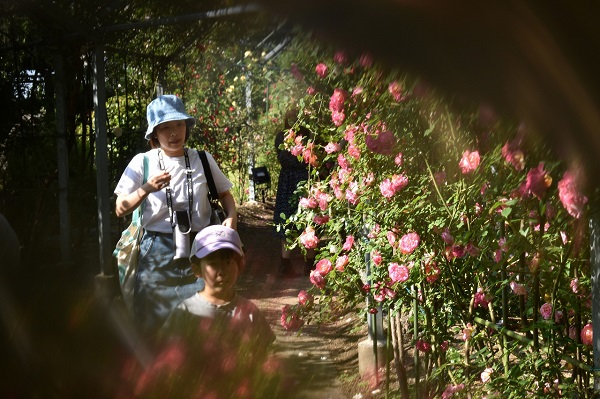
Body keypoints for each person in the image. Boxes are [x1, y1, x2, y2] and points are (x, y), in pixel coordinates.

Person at [114, 94, 238, 337]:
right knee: (153, 326)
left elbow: (225, 196)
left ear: (187, 127)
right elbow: (120, 207)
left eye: (179, 124)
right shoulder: (143, 162)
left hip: (201, 249)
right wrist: (146, 188)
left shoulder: (202, 159)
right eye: (166, 127)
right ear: (154, 134)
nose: (174, 133)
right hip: (156, 251)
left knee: (205, 324)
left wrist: (231, 218)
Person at [156, 225, 277, 397]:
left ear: (240, 265)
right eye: (213, 264)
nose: (222, 271)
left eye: (228, 262)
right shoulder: (186, 312)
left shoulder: (249, 311)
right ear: (197, 269)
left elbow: (266, 358)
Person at [273, 108, 315, 276]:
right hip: (294, 181)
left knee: (307, 220)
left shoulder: (305, 135)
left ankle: (307, 263)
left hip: (296, 180)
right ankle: (290, 264)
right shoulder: (283, 136)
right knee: (292, 220)